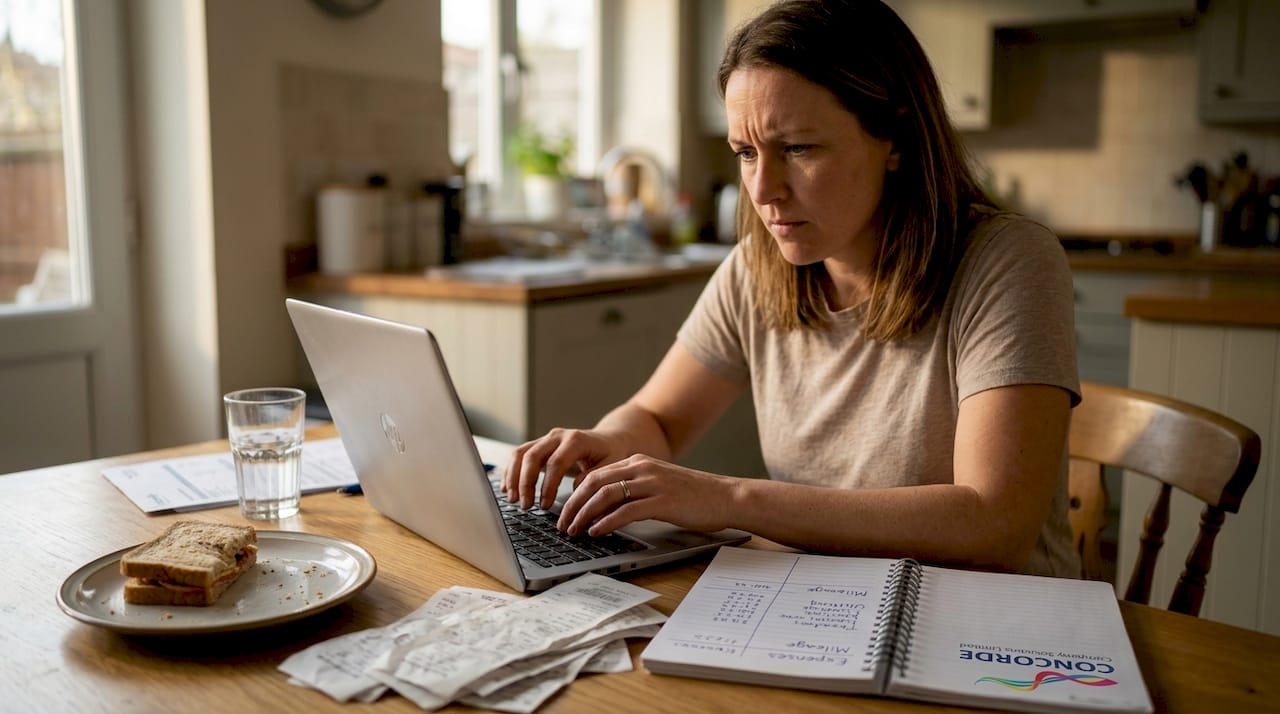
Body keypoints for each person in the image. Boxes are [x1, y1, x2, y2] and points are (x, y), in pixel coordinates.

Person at [503, 0, 1080, 577]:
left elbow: (995, 524)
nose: (764, 189)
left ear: (896, 138)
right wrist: (605, 444)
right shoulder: (758, 267)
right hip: (827, 596)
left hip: (1000, 627)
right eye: (746, 153)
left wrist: (729, 500)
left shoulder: (1006, 260)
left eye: (798, 149)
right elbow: (660, 419)